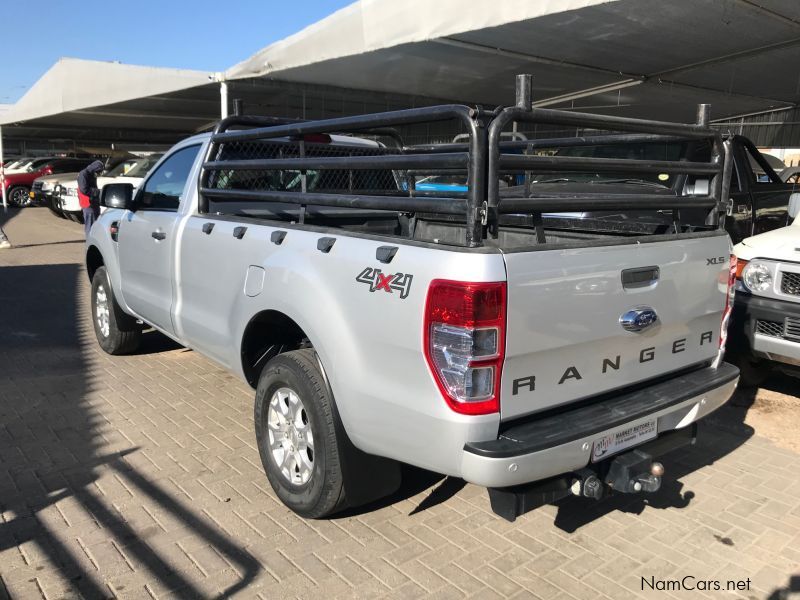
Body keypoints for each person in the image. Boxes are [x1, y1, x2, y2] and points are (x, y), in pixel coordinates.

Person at [77, 160, 104, 236]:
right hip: (88, 203)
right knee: (90, 225)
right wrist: (97, 192)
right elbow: (84, 189)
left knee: (96, 224)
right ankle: (89, 242)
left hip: (94, 202)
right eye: (98, 171)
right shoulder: (84, 174)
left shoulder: (92, 174)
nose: (99, 173)